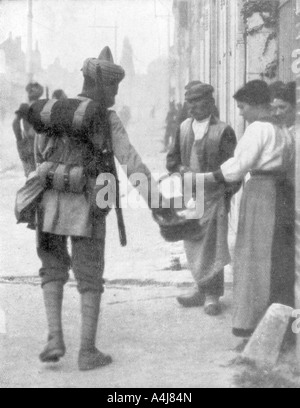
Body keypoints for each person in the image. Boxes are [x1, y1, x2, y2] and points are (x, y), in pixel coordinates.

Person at [32, 47, 156, 371]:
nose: (116, 93)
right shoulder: (105, 117)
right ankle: (86, 352)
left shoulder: (54, 111)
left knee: (52, 269)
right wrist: (156, 200)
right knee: (89, 277)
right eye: (113, 87)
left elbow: (38, 157)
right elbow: (131, 162)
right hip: (88, 205)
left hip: (48, 204)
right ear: (101, 85)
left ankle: (55, 338)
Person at [195, 80, 295, 337]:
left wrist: (205, 178)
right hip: (281, 194)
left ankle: (251, 323)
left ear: (257, 105)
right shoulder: (283, 129)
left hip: (261, 194)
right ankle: (278, 323)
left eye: (243, 107)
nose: (240, 112)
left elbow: (238, 166)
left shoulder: (258, 129)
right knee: (276, 258)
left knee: (252, 257)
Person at [166, 82, 238, 316]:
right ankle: (200, 289)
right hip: (191, 197)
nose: (193, 107)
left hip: (215, 198)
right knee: (193, 245)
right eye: (190, 102)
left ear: (210, 102)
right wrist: (180, 170)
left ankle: (212, 295)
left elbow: (233, 170)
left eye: (198, 102)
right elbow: (172, 161)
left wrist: (225, 196)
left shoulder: (223, 131)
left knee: (213, 247)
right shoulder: (183, 128)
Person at [12, 82, 44, 177]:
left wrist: (20, 140)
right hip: (39, 145)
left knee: (31, 176)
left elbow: (15, 124)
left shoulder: (25, 106)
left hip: (30, 144)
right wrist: (20, 140)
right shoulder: (42, 105)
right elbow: (15, 124)